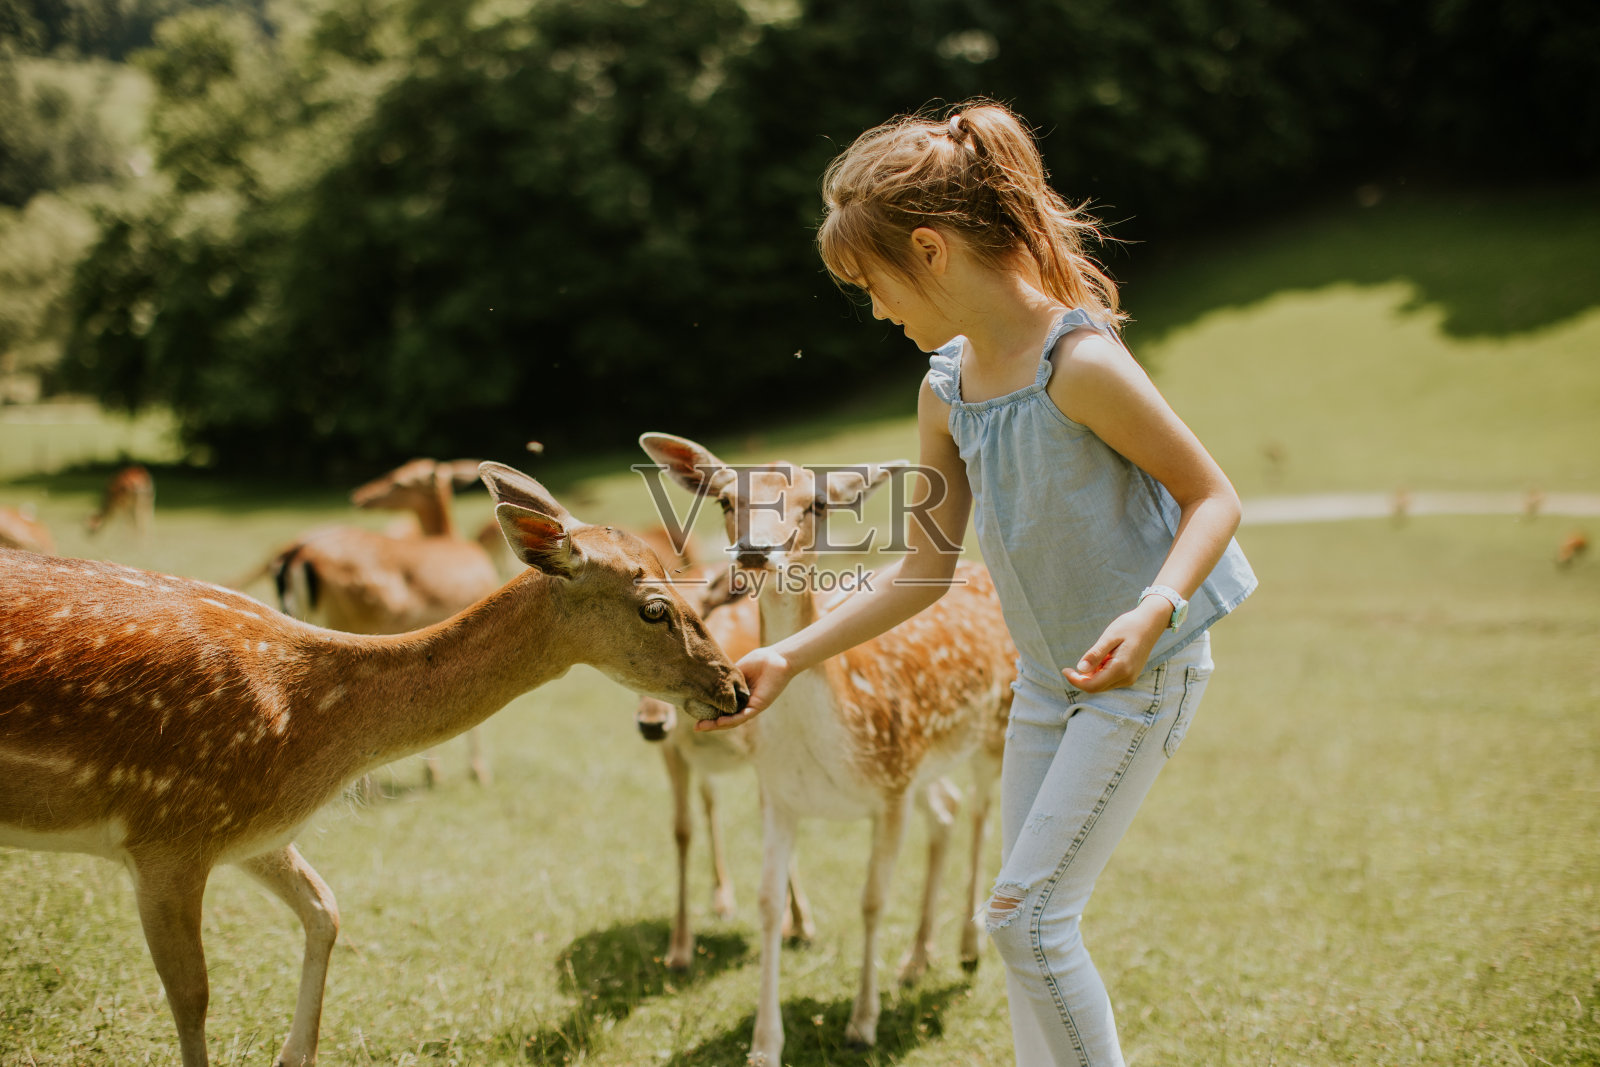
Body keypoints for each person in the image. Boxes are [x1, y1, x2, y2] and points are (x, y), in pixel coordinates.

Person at [695, 99, 1258, 1066]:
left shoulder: (1079, 364)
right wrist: (786, 652)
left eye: (872, 286)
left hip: (1141, 676)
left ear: (931, 250)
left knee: (1026, 923)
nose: (877, 311)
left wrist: (1152, 609)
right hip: (1044, 683)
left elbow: (1213, 496)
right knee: (1025, 932)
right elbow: (925, 571)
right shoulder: (945, 388)